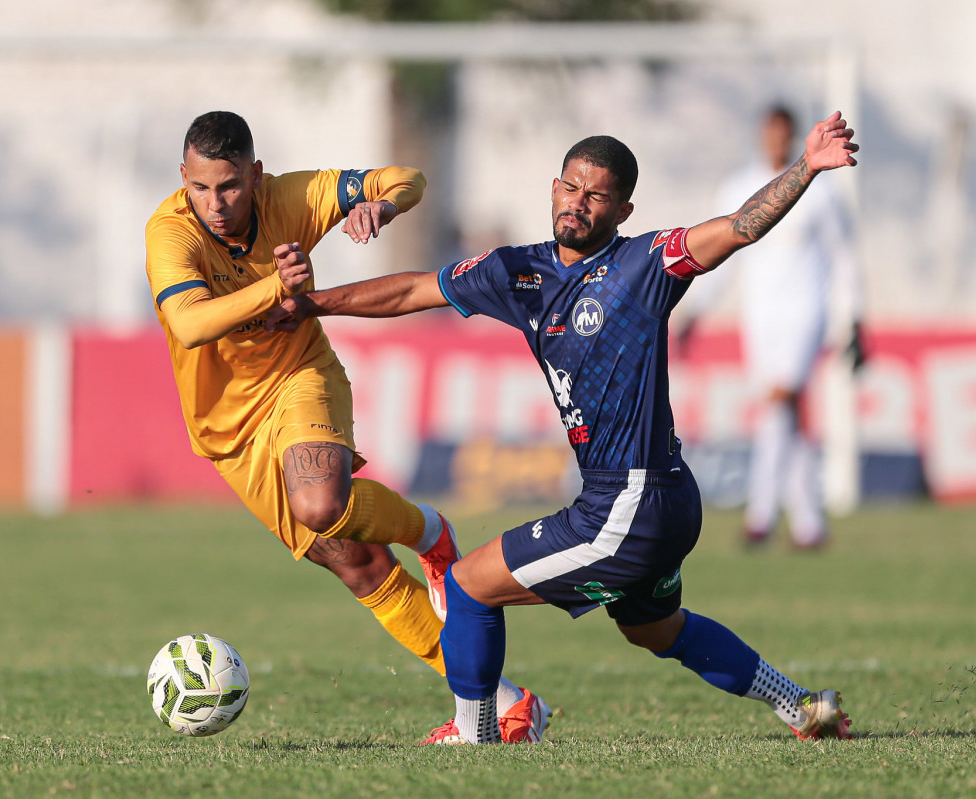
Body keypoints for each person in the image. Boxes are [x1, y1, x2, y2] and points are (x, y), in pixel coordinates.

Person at [267, 112, 860, 744]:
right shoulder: (519, 273)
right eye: (571, 188)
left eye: (597, 195)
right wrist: (313, 302)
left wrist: (807, 167)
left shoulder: (647, 264)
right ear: (554, 188)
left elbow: (739, 228)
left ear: (622, 210)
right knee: (656, 629)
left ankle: (478, 735)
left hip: (632, 501)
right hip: (652, 499)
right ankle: (801, 706)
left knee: (468, 588)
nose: (578, 204)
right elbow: (413, 291)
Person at [144, 111, 548, 742]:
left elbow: (406, 177)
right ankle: (504, 703)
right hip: (227, 429)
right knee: (356, 562)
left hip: (300, 376)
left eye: (228, 186)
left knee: (319, 503)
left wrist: (382, 207)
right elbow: (191, 325)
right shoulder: (170, 233)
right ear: (183, 179)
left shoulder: (292, 196)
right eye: (200, 188)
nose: (215, 204)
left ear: (254, 175)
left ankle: (432, 534)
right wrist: (277, 287)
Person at [682, 105, 865, 549]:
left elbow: (845, 257)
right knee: (784, 412)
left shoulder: (821, 191)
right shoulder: (741, 187)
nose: (775, 140)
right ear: (762, 135)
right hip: (761, 314)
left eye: (783, 133)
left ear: (792, 136)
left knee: (780, 400)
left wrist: (854, 315)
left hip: (806, 311)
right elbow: (719, 254)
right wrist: (696, 307)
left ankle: (760, 514)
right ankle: (808, 524)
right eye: (770, 132)